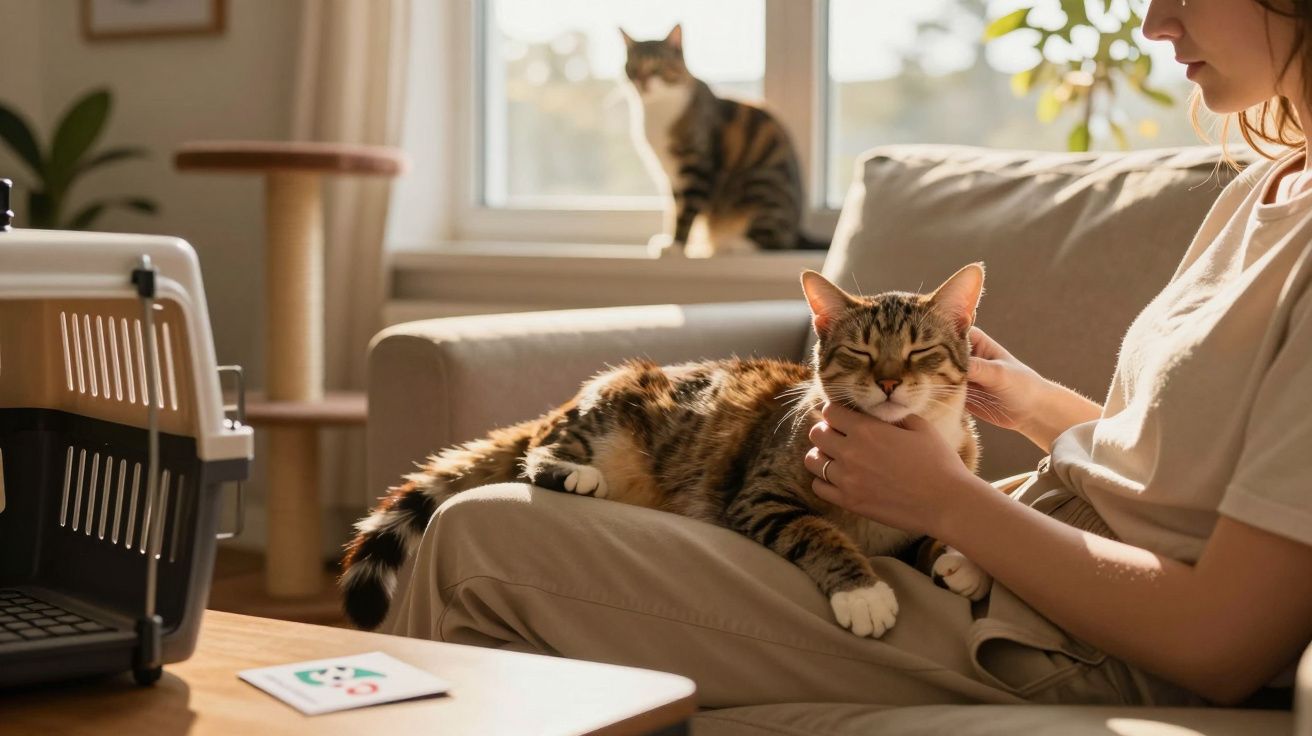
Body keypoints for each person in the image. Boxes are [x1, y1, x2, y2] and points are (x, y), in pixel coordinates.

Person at [381, 0, 1312, 708]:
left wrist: (943, 499)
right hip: (1001, 561)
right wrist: (1028, 401)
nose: (1152, 22)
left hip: (1062, 638)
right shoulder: (1263, 187)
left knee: (480, 540)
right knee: (500, 513)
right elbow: (1176, 469)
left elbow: (1224, 642)